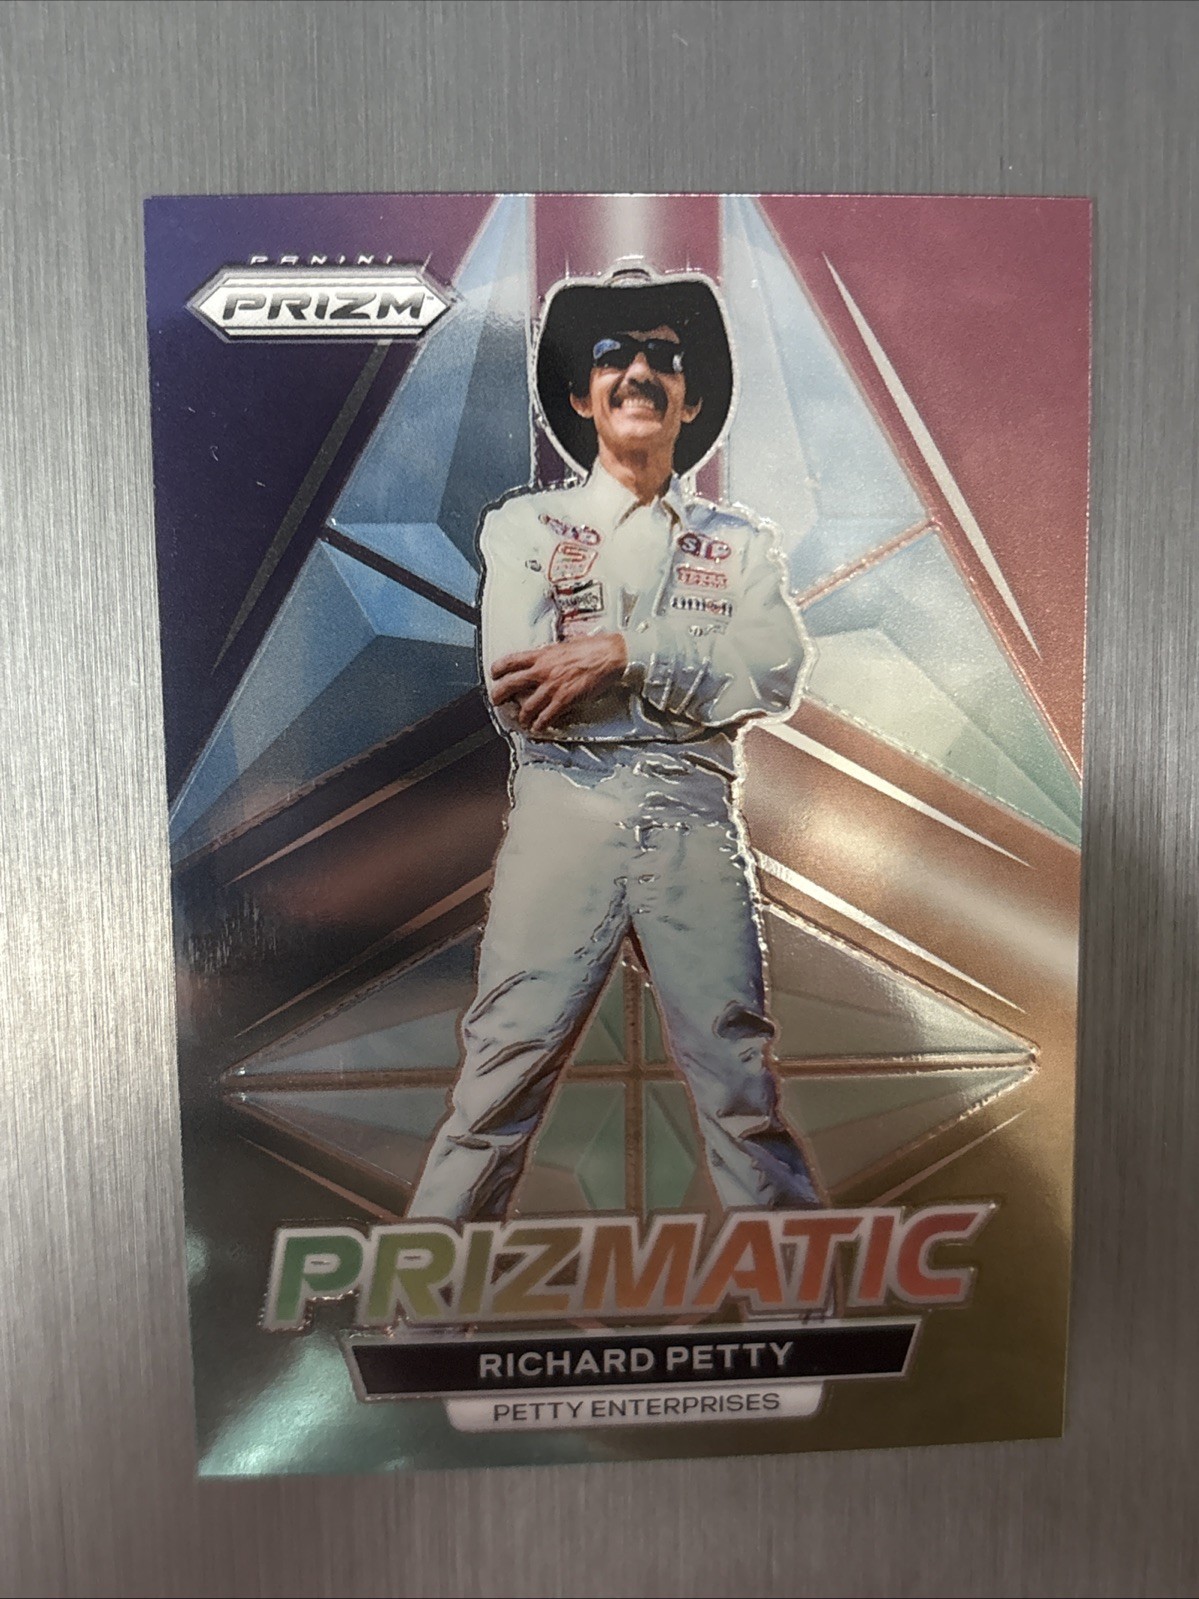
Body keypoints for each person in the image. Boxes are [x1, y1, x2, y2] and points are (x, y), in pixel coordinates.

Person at [408, 265, 822, 1222]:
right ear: (580, 394)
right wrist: (691, 676)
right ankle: (420, 1296)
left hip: (692, 817)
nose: (637, 371)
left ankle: (796, 1297)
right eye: (611, 355)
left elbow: (773, 671)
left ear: (691, 398)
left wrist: (620, 653)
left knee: (737, 1079)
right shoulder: (525, 524)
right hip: (566, 807)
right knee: (500, 1072)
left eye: (662, 357)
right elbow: (520, 691)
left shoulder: (740, 542)